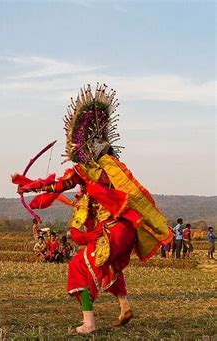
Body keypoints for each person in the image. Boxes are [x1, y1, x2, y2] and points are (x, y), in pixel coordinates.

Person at [12, 84, 171, 334]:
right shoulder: (112, 169)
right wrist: (30, 186)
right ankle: (124, 306)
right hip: (126, 229)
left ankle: (89, 323)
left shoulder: (87, 171)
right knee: (107, 267)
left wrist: (30, 186)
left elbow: (59, 184)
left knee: (78, 265)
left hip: (114, 229)